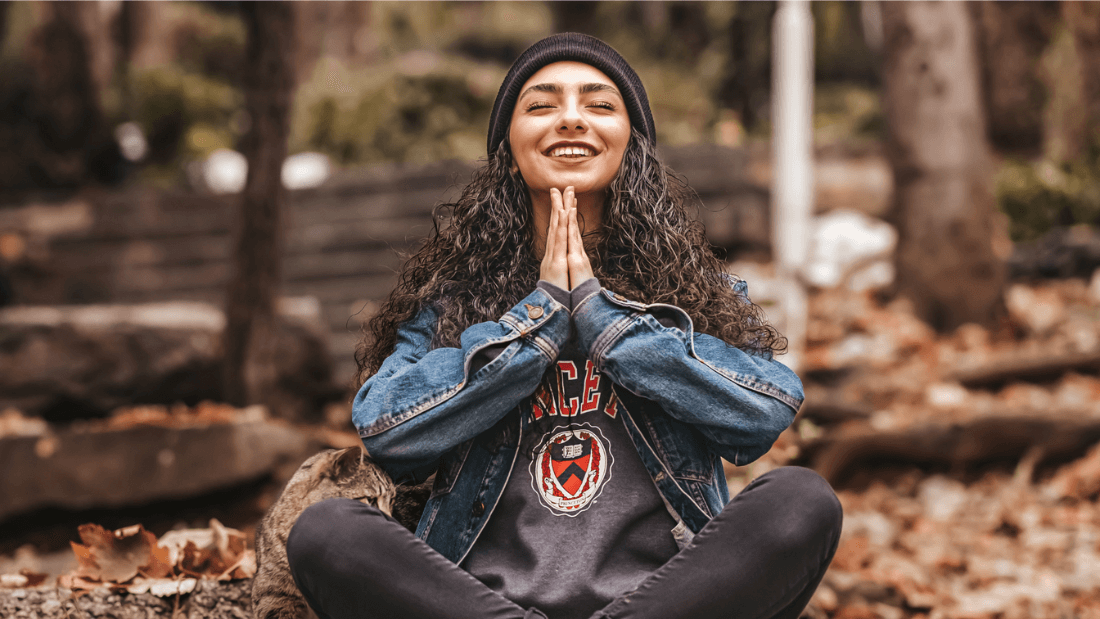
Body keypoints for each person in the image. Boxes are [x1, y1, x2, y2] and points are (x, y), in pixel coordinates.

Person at [286, 32, 842, 619]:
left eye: (600, 105)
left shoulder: (698, 294)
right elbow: (386, 428)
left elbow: (765, 410)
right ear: (509, 145)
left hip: (661, 604)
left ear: (633, 144)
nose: (571, 119)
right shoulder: (450, 304)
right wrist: (539, 320)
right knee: (327, 531)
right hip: (485, 606)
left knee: (802, 501)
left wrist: (607, 322)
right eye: (542, 105)